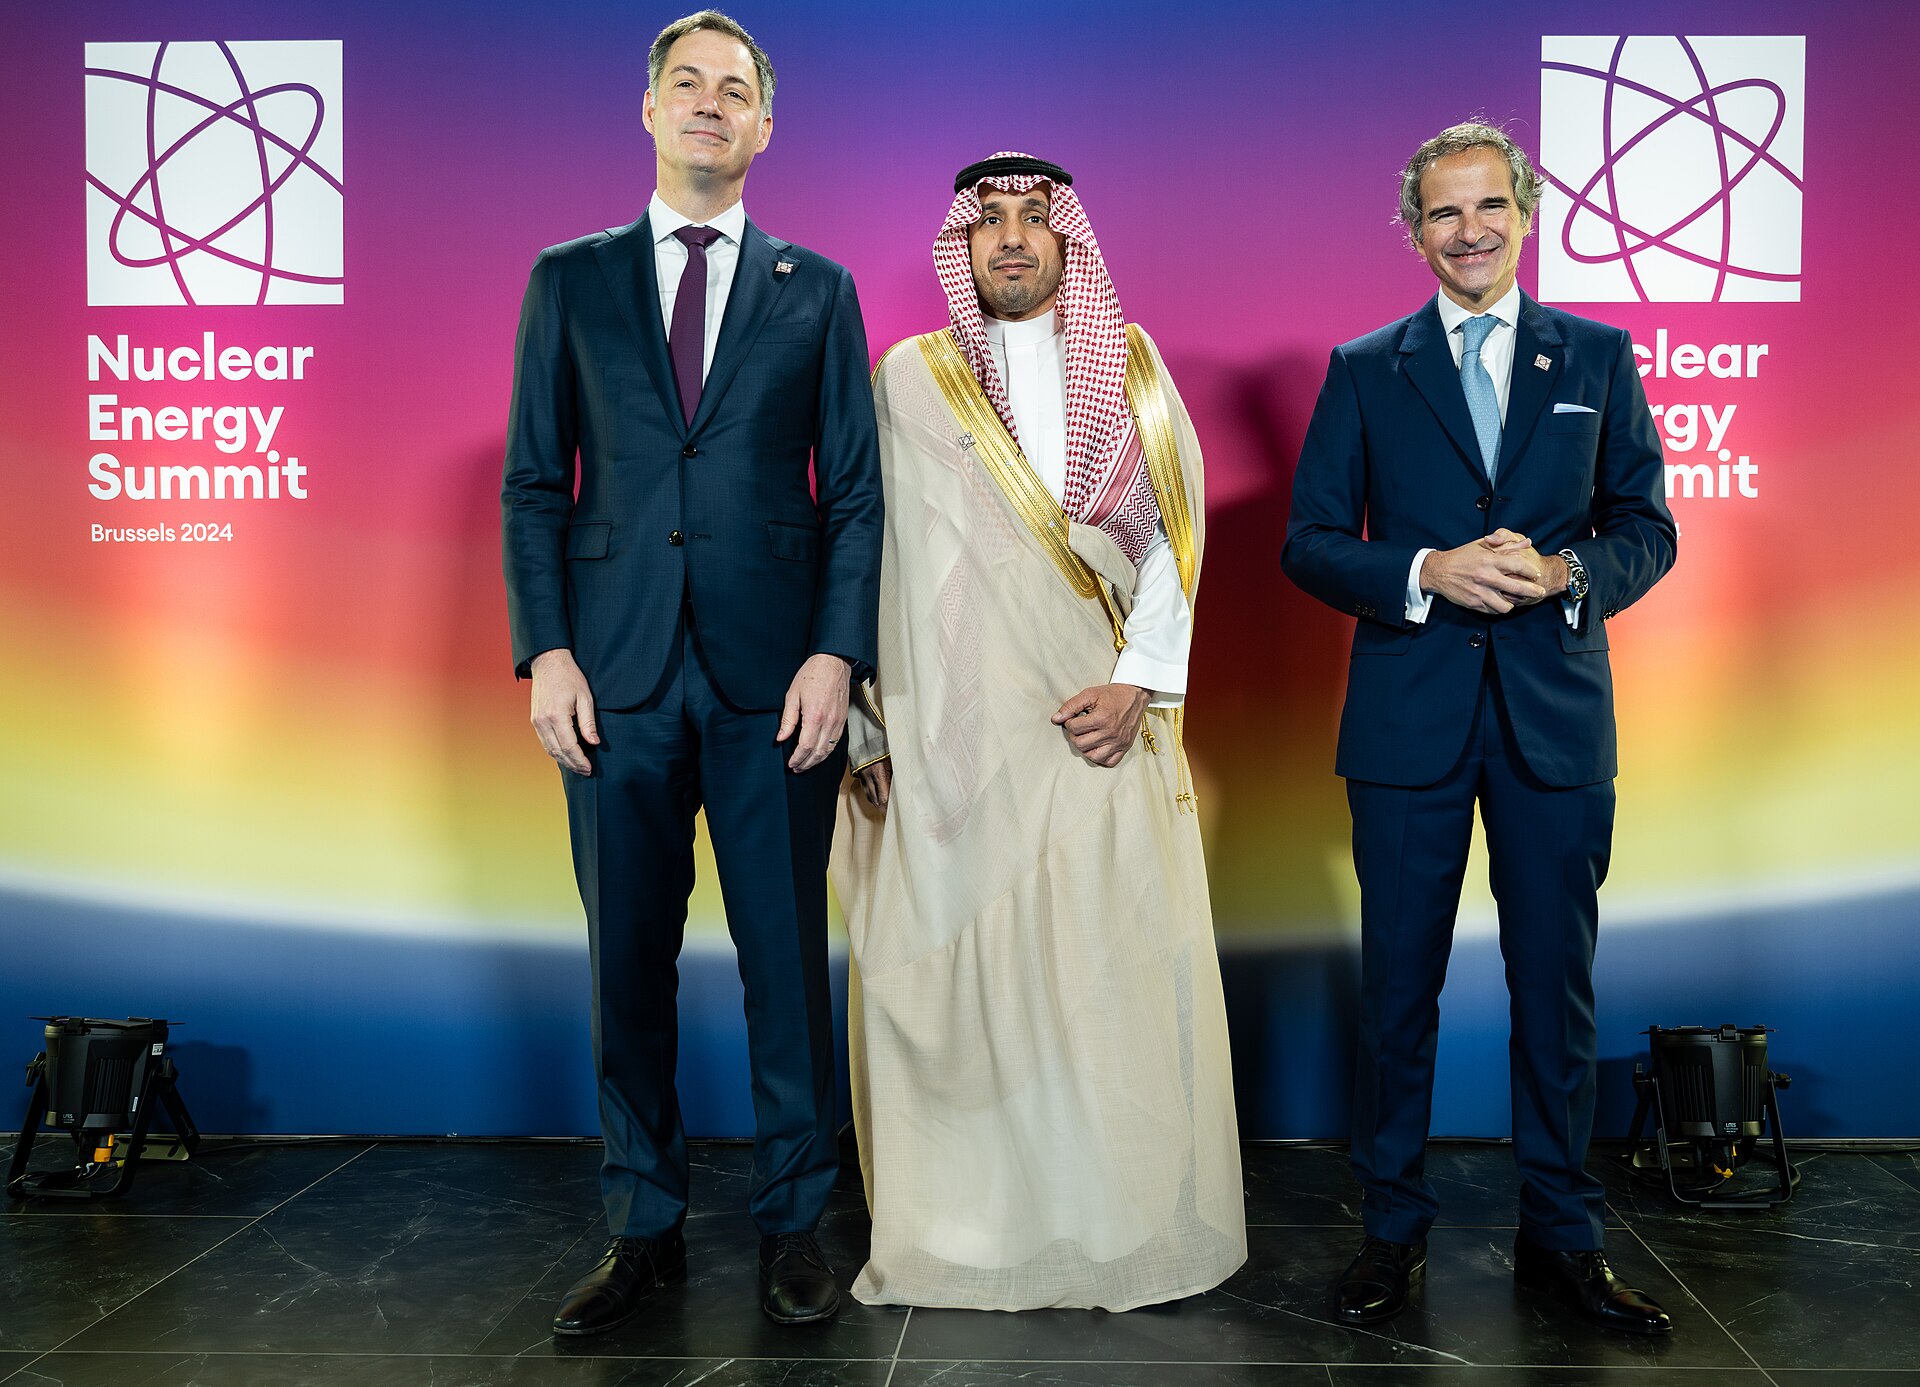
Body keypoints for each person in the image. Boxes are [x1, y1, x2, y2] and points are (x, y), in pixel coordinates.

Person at [499, 9, 881, 1334]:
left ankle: (793, 1225)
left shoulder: (819, 288)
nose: (710, 103)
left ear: (765, 125)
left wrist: (839, 650)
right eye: (687, 83)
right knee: (627, 971)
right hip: (611, 679)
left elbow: (855, 497)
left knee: (785, 967)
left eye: (736, 89)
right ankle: (640, 1225)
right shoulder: (571, 277)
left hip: (779, 684)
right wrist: (545, 649)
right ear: (649, 110)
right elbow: (536, 482)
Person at [831, 152, 1246, 1312]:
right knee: (968, 977)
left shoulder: (1133, 368)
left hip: (1094, 723)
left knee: (1097, 973)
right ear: (960, 250)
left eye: (1034, 221)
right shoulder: (910, 378)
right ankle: (966, 1224)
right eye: (989, 223)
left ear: (1070, 243)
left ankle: (1108, 1218)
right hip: (949, 735)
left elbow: (1174, 537)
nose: (1011, 239)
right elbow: (865, 552)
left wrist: (1142, 683)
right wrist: (869, 725)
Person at [1281, 122, 1677, 1335]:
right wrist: (1424, 571)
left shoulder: (1598, 358)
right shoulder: (1364, 366)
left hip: (1555, 726)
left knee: (1553, 989)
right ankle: (1390, 1231)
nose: (1469, 231)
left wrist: (1562, 573)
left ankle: (1562, 1235)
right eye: (1444, 213)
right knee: (1398, 991)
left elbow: (1645, 529)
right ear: (1415, 230)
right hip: (1407, 727)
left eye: (1490, 207)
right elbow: (1309, 542)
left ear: (1527, 211)